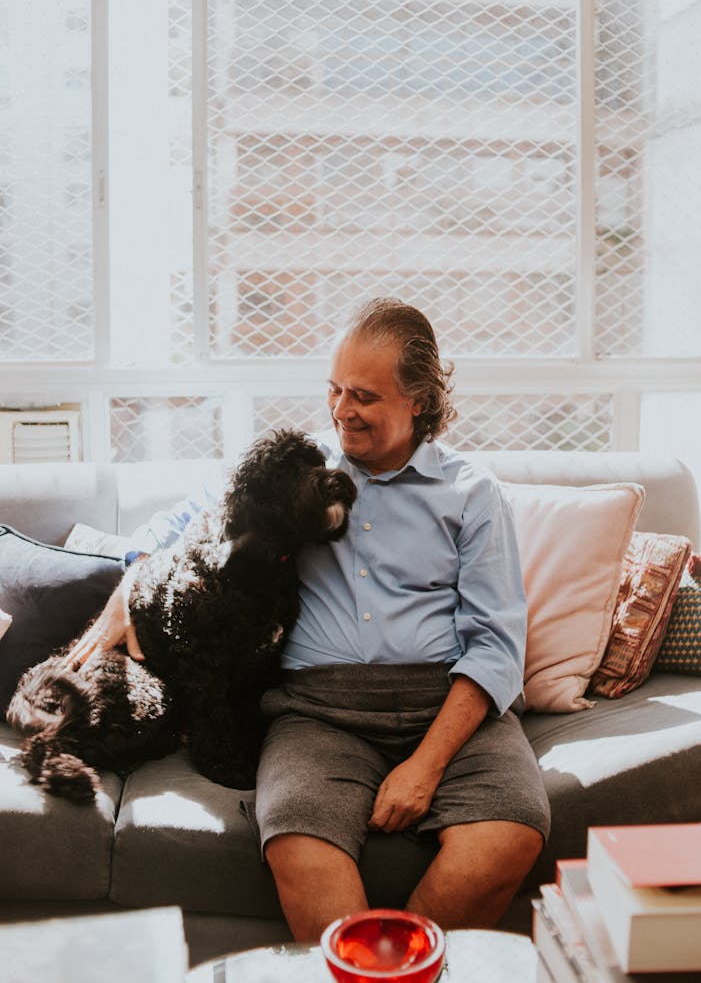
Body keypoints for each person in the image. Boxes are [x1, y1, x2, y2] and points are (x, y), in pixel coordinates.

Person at [68, 298, 550, 941]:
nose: (341, 409)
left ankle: (390, 968)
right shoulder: (293, 472)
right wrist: (128, 589)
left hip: (450, 705)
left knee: (509, 837)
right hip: (316, 710)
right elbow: (176, 528)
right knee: (297, 844)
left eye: (364, 396)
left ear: (418, 399)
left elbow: (496, 641)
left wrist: (426, 766)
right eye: (333, 389)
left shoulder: (472, 492)